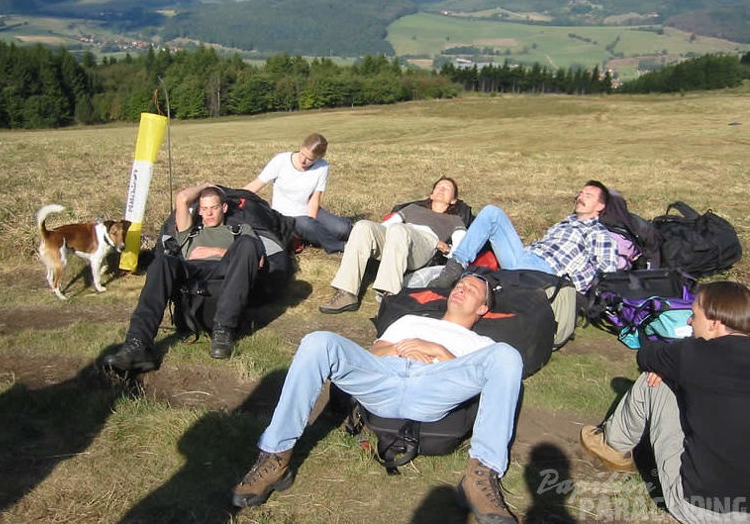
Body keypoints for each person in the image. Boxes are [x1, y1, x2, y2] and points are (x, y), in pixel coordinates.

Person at [232, 274, 523, 524]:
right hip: (384, 377)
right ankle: (275, 456)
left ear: (483, 308)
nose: (461, 289)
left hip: (433, 386)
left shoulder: (482, 345)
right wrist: (398, 349)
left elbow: (477, 379)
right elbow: (373, 354)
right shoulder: (410, 321)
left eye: (471, 289)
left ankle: (480, 475)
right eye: (460, 284)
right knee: (318, 341)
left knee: (509, 356)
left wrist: (434, 350)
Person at [580, 281, 750, 523]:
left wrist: (669, 367)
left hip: (701, 506)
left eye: (694, 315)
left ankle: (613, 445)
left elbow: (646, 355)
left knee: (654, 382)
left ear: (715, 323)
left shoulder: (694, 354)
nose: (690, 322)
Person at [103, 183, 264, 372]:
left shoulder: (238, 230)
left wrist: (213, 251)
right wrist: (207, 185)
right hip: (191, 273)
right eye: (204, 209)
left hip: (224, 272)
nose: (209, 213)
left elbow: (257, 261)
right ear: (200, 211)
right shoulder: (190, 231)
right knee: (162, 261)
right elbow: (182, 198)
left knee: (247, 244)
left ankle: (223, 331)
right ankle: (138, 344)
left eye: (214, 208)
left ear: (224, 208)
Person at [430, 180, 618, 294]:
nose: (581, 197)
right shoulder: (567, 222)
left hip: (545, 271)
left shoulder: (598, 233)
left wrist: (571, 287)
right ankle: (454, 268)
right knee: (492, 212)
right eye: (581, 193)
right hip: (525, 257)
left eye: (589, 195)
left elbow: (607, 273)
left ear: (600, 207)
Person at [319, 176, 468, 314]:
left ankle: (391, 296)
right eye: (439, 187)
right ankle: (347, 293)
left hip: (425, 243)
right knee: (363, 226)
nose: (442, 189)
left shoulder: (454, 220)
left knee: (399, 229)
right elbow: (385, 226)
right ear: (431, 194)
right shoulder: (413, 208)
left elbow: (461, 250)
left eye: (447, 188)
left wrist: (445, 248)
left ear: (454, 200)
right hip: (398, 236)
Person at [243, 133, 352, 254]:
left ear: (319, 158)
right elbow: (257, 184)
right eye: (302, 154)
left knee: (342, 229)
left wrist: (313, 223)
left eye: (310, 159)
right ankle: (341, 247)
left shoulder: (323, 167)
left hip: (308, 211)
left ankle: (368, 234)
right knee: (307, 226)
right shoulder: (281, 160)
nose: (303, 160)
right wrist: (233, 196)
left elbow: (315, 199)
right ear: (301, 147)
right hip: (285, 216)